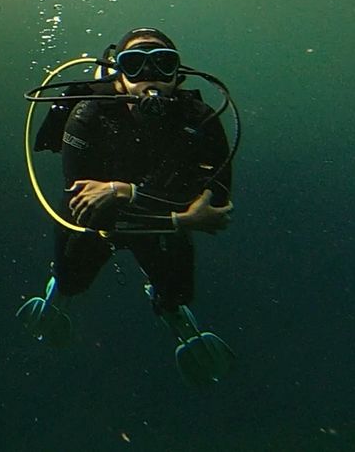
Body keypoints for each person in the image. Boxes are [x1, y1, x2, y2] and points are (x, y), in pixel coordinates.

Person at [16, 27, 235, 385]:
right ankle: (59, 294)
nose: (150, 78)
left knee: (178, 292)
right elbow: (83, 201)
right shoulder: (88, 113)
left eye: (163, 65)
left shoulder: (199, 119)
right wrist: (180, 217)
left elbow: (218, 204)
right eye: (135, 65)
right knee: (73, 276)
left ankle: (170, 308)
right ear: (118, 73)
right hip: (106, 222)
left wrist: (124, 191)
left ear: (178, 76)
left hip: (154, 218)